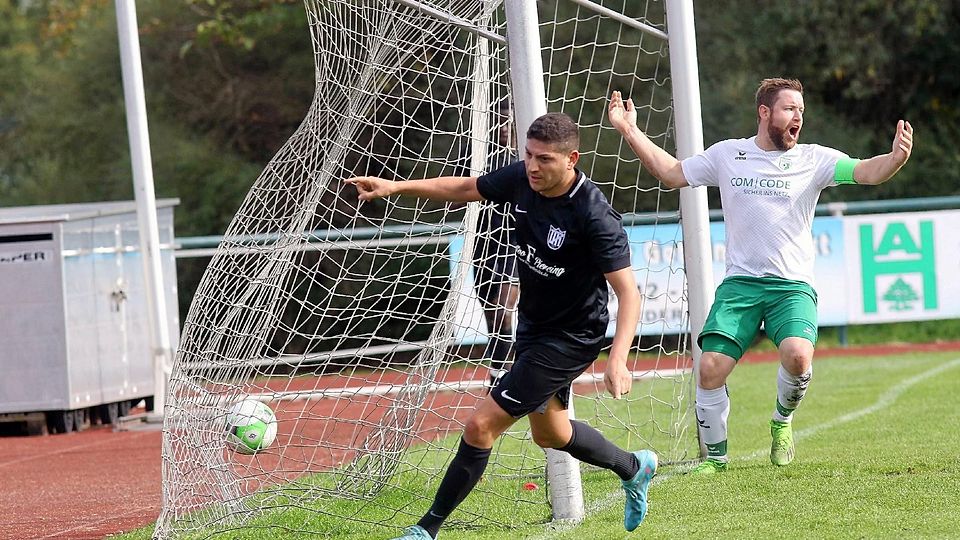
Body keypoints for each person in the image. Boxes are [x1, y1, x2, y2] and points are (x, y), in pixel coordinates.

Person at [346, 112, 658, 539]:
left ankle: (426, 530)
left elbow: (629, 293)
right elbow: (465, 188)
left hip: (571, 338)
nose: (532, 166)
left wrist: (618, 359)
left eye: (544, 159)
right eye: (529, 155)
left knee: (480, 426)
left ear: (572, 159)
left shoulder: (594, 216)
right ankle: (633, 467)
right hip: (533, 326)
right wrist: (396, 187)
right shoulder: (523, 179)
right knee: (551, 434)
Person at [607, 78, 914, 473]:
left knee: (799, 355)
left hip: (792, 286)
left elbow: (867, 172)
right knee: (711, 366)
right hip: (741, 284)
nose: (798, 117)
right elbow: (671, 173)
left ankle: (782, 421)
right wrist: (630, 130)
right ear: (765, 113)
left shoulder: (813, 159)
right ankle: (715, 460)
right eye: (789, 109)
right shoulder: (728, 155)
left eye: (801, 110)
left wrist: (895, 159)